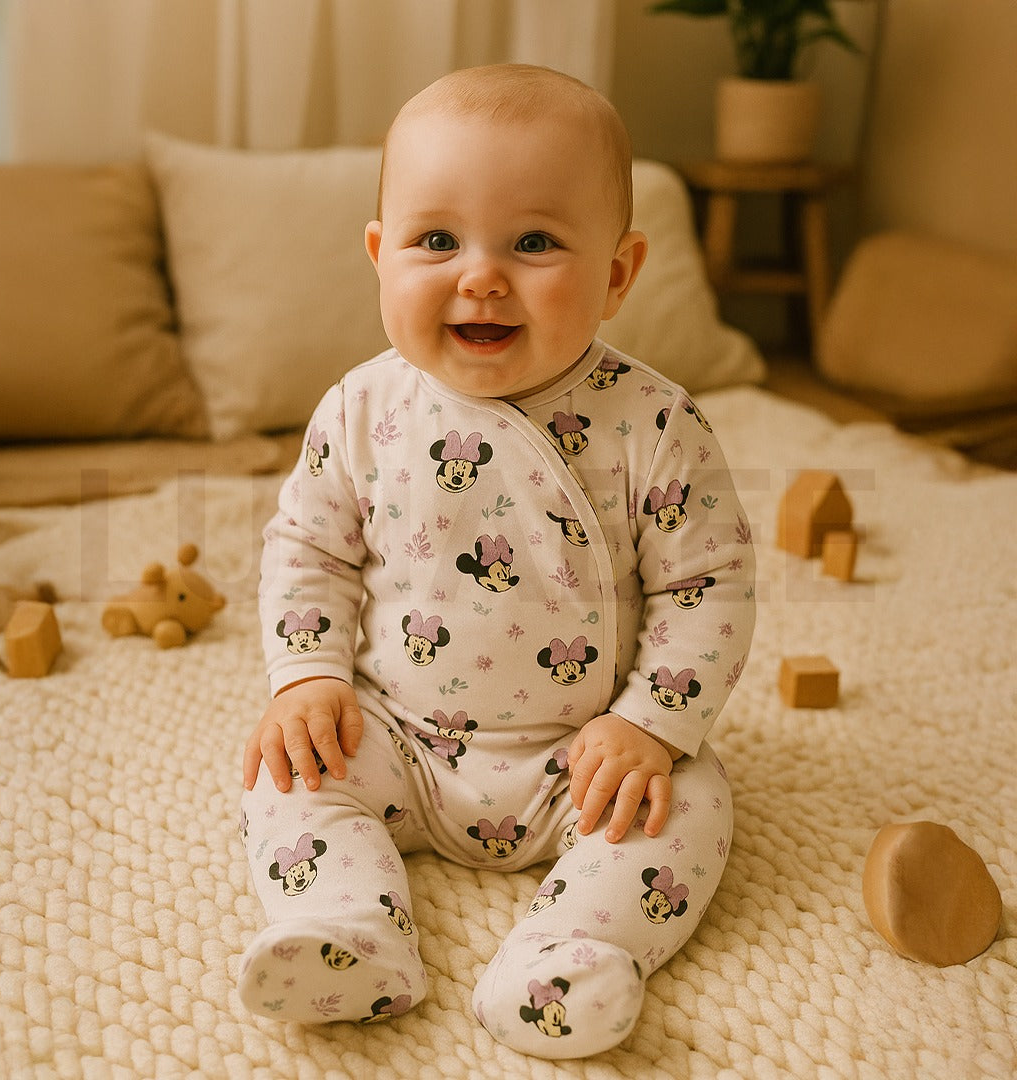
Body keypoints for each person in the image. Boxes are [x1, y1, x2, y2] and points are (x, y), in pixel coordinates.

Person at [239, 63, 755, 1059]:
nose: (481, 275)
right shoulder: (359, 411)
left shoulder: (652, 423)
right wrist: (307, 679)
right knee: (285, 769)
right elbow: (309, 550)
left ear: (617, 272)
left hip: (584, 754)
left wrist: (650, 724)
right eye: (437, 241)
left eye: (534, 242)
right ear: (381, 255)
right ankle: (352, 930)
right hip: (401, 733)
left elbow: (709, 585)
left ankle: (569, 954)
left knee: (690, 803)